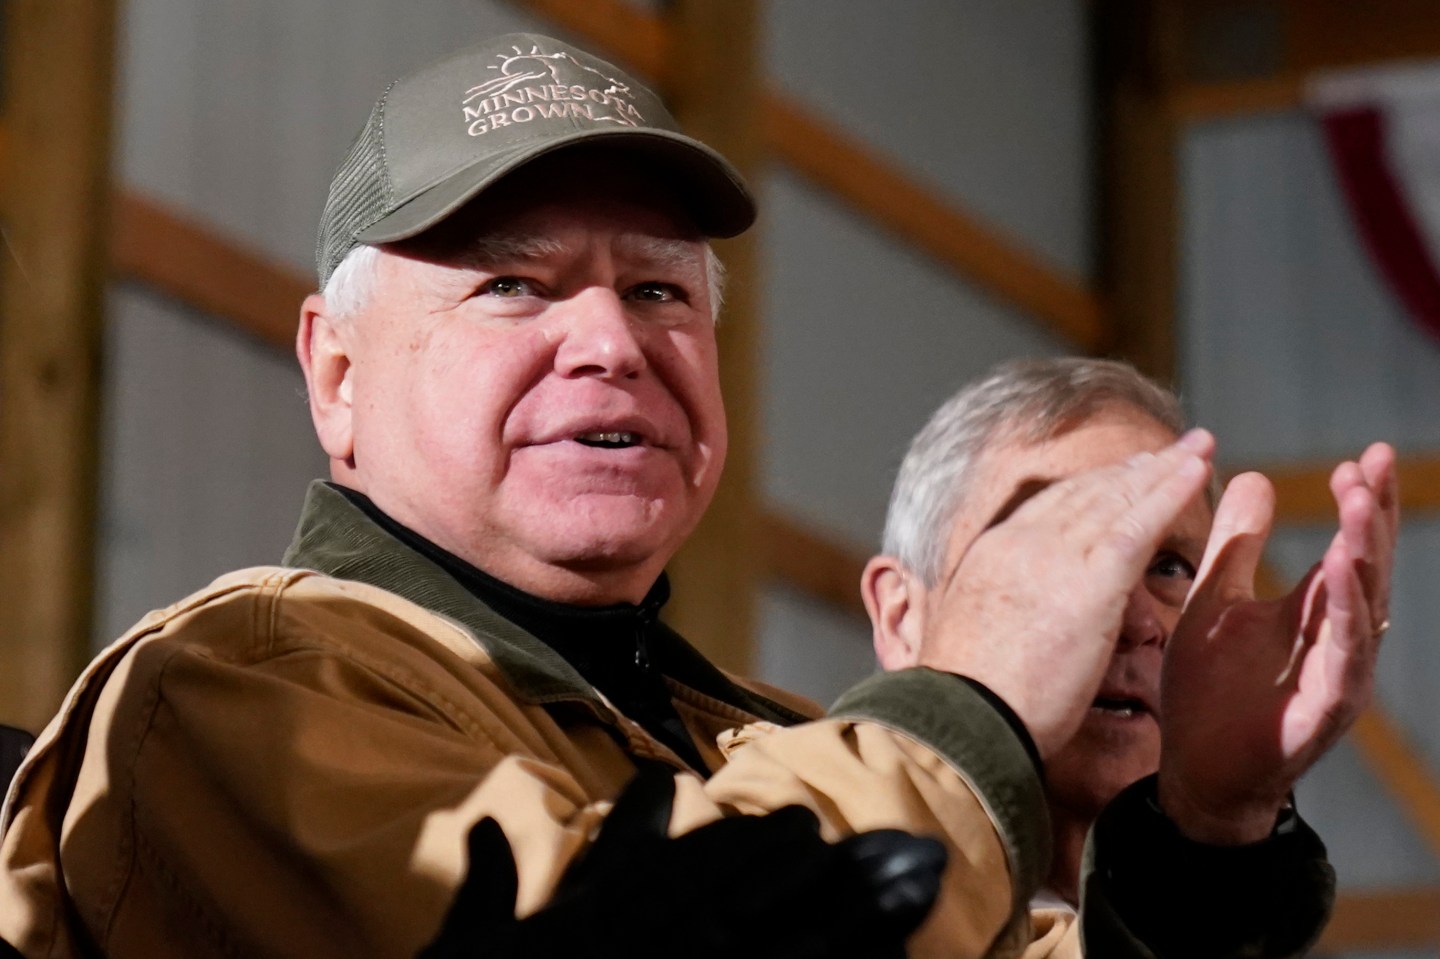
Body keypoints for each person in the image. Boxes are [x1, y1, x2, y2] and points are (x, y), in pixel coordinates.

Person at [0, 32, 1391, 959]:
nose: (612, 340)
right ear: (337, 373)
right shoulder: (226, 697)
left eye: (660, 288)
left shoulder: (758, 750)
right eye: (512, 282)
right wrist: (967, 703)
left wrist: (1208, 827)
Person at [862, 357, 1398, 911]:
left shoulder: (1251, 931)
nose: (1137, 623)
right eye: (1065, 552)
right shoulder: (776, 818)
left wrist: (1221, 830)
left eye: (1168, 568)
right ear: (901, 616)